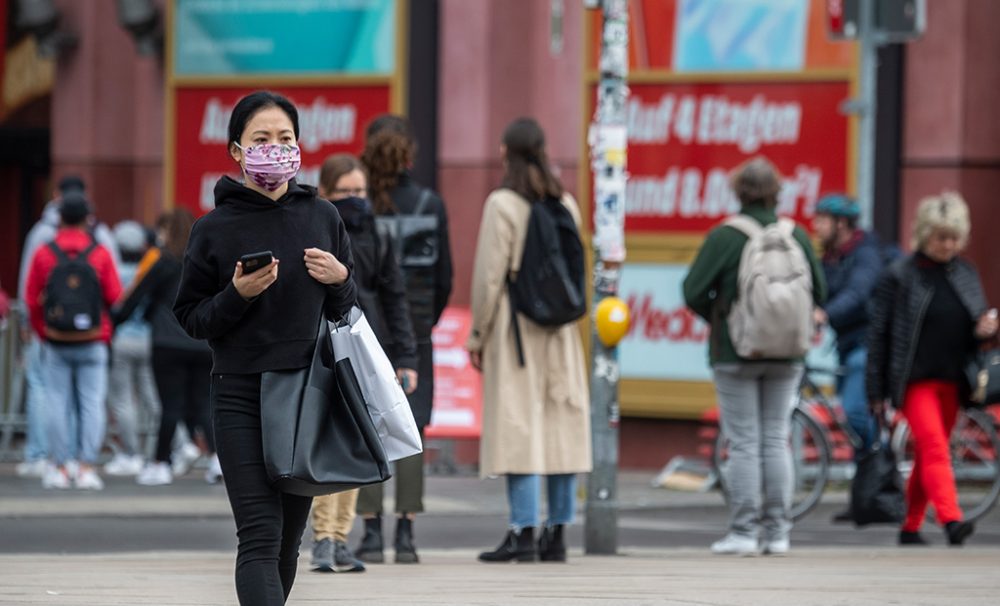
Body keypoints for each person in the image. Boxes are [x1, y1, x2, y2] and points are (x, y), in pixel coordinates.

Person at [173, 90, 357, 606]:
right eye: (261, 139)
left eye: (285, 138)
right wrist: (236, 296)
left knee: (286, 541)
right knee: (258, 533)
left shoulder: (323, 217)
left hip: (306, 395)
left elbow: (347, 307)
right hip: (239, 395)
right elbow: (190, 317)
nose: (275, 149)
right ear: (236, 150)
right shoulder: (211, 230)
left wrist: (342, 280)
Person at [683, 157, 826, 556]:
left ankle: (744, 533)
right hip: (788, 353)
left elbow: (692, 291)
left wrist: (721, 314)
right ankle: (778, 533)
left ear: (738, 191)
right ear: (778, 192)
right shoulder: (795, 235)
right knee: (776, 438)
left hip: (735, 351)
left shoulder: (725, 237)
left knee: (744, 441)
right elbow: (821, 290)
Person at [466, 117, 591, 563]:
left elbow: (488, 278)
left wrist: (477, 333)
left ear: (505, 153)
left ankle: (521, 532)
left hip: (516, 328)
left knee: (519, 427)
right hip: (560, 333)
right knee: (562, 427)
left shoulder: (502, 204)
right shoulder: (567, 203)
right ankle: (556, 534)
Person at [867, 192, 998, 547]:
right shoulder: (899, 276)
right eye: (941, 237)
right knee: (936, 447)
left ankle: (910, 526)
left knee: (929, 453)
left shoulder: (965, 272)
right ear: (924, 234)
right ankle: (952, 519)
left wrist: (985, 329)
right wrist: (875, 391)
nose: (948, 244)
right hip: (914, 380)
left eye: (954, 237)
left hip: (954, 380)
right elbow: (879, 335)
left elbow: (976, 323)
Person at [309, 153, 418, 573]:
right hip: (321, 347)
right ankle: (322, 537)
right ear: (327, 193)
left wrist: (405, 356)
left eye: (360, 191)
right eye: (345, 192)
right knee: (325, 444)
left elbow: (396, 300)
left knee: (357, 443)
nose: (355, 199)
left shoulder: (378, 235)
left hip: (366, 350)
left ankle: (338, 538)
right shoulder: (317, 232)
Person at [355, 114, 453, 564]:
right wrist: (423, 324)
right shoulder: (430, 204)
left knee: (369, 425)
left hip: (363, 333)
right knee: (411, 428)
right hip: (415, 332)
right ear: (409, 152)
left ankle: (371, 532)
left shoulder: (362, 208)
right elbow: (445, 276)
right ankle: (407, 535)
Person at [15, 176, 119, 478]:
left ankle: (59, 466)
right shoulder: (99, 251)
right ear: (88, 217)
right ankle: (86, 466)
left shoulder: (44, 251)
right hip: (93, 339)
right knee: (91, 402)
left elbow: (31, 297)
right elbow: (114, 296)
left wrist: (40, 330)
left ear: (58, 216)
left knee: (55, 401)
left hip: (55, 338)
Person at [115, 210, 221, 486]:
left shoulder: (164, 261)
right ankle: (216, 459)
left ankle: (161, 462)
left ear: (168, 232)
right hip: (202, 341)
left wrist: (114, 322)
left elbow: (137, 297)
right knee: (202, 404)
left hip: (167, 342)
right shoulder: (205, 263)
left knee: (170, 405)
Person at [811, 194, 886, 522]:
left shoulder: (866, 253)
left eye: (823, 220)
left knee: (856, 413)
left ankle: (883, 473)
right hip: (846, 345)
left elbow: (857, 294)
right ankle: (865, 500)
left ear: (842, 224)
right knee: (853, 423)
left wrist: (824, 316)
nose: (816, 226)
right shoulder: (830, 258)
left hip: (868, 346)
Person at [104, 220, 161, 476]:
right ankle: (167, 448)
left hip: (122, 339)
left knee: (123, 399)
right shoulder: (148, 270)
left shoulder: (113, 271)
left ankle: (132, 453)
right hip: (148, 339)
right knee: (152, 396)